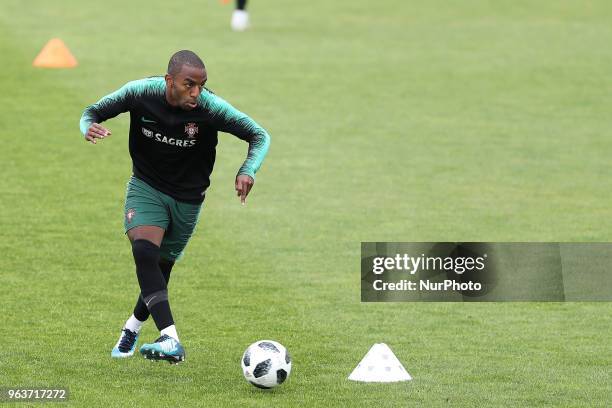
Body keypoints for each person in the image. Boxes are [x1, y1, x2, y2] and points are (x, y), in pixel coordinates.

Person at [79, 50, 270, 363]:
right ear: (169, 81)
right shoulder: (140, 93)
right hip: (146, 188)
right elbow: (92, 111)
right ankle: (170, 337)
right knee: (144, 251)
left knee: (160, 268)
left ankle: (132, 328)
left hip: (188, 199)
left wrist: (248, 169)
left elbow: (259, 135)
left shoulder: (211, 108)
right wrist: (87, 126)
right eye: (189, 84)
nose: (197, 93)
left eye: (202, 85)